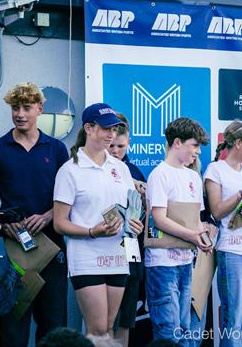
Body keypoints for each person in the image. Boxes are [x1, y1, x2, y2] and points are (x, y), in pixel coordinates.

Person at [0, 82, 70, 346]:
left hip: (51, 247)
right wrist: (1, 223)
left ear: (39, 109)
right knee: (12, 325)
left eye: (26, 108)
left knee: (53, 324)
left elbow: (68, 197)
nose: (20, 113)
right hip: (14, 248)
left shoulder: (56, 149)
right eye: (15, 108)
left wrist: (47, 216)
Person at [52, 103, 144, 338]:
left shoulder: (121, 168)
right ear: (89, 128)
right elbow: (59, 223)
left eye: (114, 129)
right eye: (105, 129)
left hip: (117, 256)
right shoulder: (69, 170)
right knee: (98, 328)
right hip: (87, 258)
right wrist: (93, 231)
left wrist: (135, 224)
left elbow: (129, 212)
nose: (111, 134)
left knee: (111, 327)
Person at [145, 117, 211, 345]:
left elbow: (195, 221)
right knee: (167, 330)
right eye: (194, 145)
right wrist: (193, 235)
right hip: (162, 264)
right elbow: (159, 219)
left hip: (186, 262)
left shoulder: (194, 176)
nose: (198, 152)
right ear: (177, 143)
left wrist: (203, 233)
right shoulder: (159, 174)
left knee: (184, 327)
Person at [204, 121, 242, 347]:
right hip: (231, 249)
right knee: (234, 313)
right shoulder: (215, 169)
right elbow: (217, 210)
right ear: (237, 143)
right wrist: (240, 194)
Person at [108, 113, 147, 347]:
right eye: (111, 145)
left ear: (128, 143)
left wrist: (140, 222)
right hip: (101, 252)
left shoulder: (136, 172)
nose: (114, 151)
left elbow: (144, 218)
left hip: (131, 252)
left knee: (126, 318)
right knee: (104, 320)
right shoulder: (92, 171)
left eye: (120, 146)